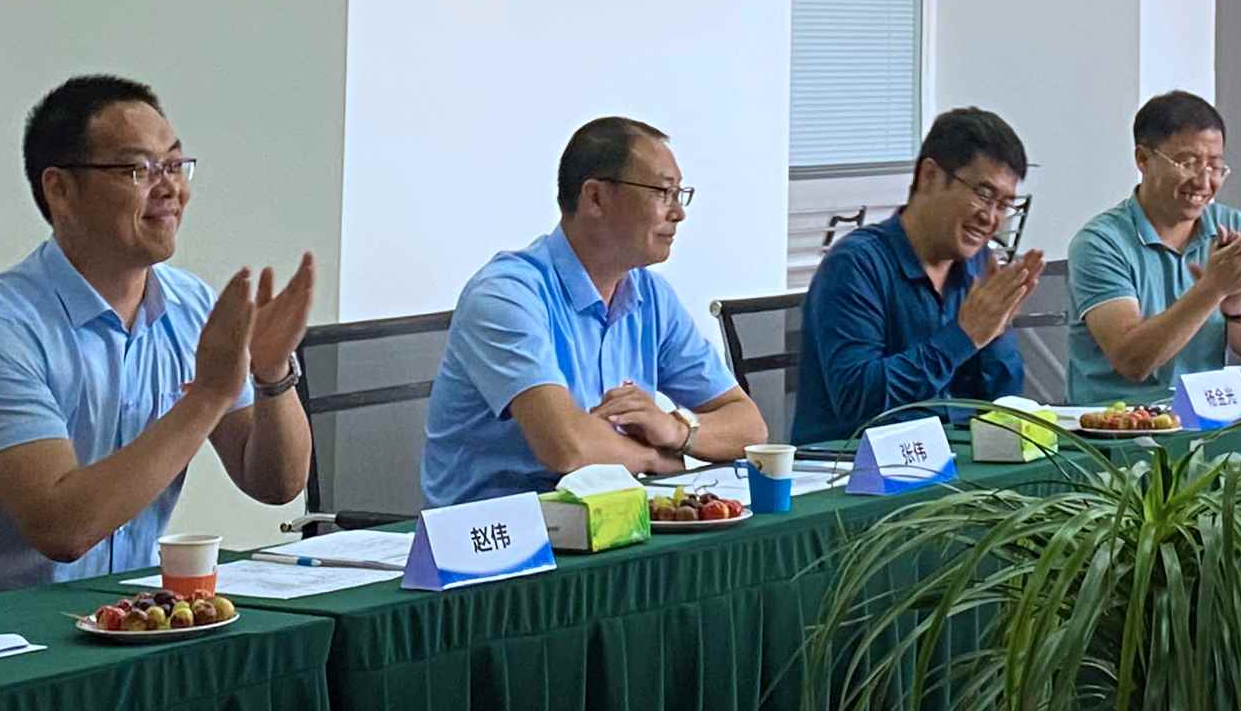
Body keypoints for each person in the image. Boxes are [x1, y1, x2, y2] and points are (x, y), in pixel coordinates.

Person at [0, 77, 319, 593]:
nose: (171, 189)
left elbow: (274, 484)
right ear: (60, 190)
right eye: (139, 169)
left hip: (116, 614)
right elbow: (61, 527)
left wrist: (272, 375)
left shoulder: (191, 308)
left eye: (174, 165)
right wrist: (207, 396)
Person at [422, 117, 767, 506]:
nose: (677, 213)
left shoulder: (651, 296)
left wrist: (674, 431)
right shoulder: (506, 295)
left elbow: (749, 426)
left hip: (614, 519)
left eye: (679, 194)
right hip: (507, 528)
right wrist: (654, 458)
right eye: (662, 192)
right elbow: (567, 447)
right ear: (596, 198)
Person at [795, 106, 1046, 445]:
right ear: (930, 176)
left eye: (1004, 205)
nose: (991, 218)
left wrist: (996, 334)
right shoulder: (856, 265)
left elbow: (1002, 405)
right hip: (851, 467)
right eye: (983, 194)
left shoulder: (977, 265)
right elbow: (858, 399)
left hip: (951, 460)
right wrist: (963, 336)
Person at [1066, 91, 1241, 388]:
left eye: (1215, 166)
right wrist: (1212, 289)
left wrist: (1237, 306)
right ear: (1143, 159)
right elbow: (1132, 362)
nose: (1204, 182)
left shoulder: (1231, 227)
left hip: (1205, 409)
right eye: (1187, 163)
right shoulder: (1100, 243)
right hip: (1118, 414)